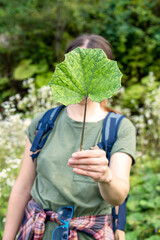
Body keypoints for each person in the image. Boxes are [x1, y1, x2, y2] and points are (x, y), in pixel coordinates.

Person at [3, 34, 136, 240]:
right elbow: (23, 187)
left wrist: (105, 176)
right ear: (65, 71)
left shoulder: (119, 128)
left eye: (92, 71)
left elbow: (118, 196)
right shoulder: (44, 122)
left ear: (106, 75)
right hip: (37, 232)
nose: (82, 78)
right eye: (76, 70)